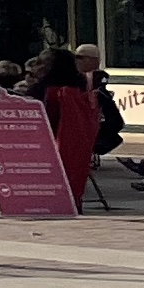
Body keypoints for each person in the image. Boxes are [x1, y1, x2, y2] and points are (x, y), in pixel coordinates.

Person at [34, 46, 99, 203]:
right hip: (79, 148)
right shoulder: (82, 88)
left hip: (46, 146)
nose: (36, 66)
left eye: (41, 62)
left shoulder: (47, 90)